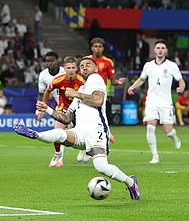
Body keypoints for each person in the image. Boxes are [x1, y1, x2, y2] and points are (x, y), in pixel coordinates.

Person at [14, 57, 140, 200]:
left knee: (101, 167)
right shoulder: (81, 89)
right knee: (61, 134)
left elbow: (98, 101)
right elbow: (67, 118)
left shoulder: (96, 79)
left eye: (88, 65)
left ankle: (130, 182)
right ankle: (36, 134)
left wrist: (75, 94)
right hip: (80, 131)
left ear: (96, 68)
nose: (84, 67)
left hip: (96, 131)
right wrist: (48, 109)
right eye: (82, 65)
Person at [127, 39, 185, 164]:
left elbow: (180, 80)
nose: (160, 50)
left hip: (165, 102)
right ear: (154, 50)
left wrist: (182, 87)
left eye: (163, 48)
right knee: (150, 128)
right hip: (152, 100)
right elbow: (142, 79)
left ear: (166, 51)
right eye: (158, 48)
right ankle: (155, 156)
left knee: (168, 131)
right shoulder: (148, 65)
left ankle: (174, 137)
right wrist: (132, 86)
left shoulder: (172, 65)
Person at [83, 37, 127, 159]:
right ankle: (87, 146)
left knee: (101, 121)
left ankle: (97, 147)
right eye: (95, 46)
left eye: (100, 46)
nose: (97, 48)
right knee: (86, 119)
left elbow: (112, 81)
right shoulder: (86, 61)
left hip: (102, 96)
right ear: (92, 48)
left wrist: (118, 82)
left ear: (103, 48)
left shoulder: (108, 62)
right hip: (86, 94)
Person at [40, 56, 85, 167]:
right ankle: (57, 154)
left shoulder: (81, 81)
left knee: (84, 133)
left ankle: (85, 149)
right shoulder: (58, 80)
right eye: (68, 67)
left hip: (78, 110)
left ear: (76, 68)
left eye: (73, 67)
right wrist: (44, 106)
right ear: (64, 68)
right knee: (57, 132)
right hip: (63, 109)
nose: (70, 70)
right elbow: (47, 91)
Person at [36, 51, 65, 165]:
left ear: (58, 61)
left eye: (52, 60)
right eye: (47, 61)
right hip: (61, 106)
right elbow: (42, 93)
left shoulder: (65, 71)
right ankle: (59, 159)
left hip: (76, 105)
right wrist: (40, 108)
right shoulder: (43, 75)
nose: (50, 63)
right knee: (58, 132)